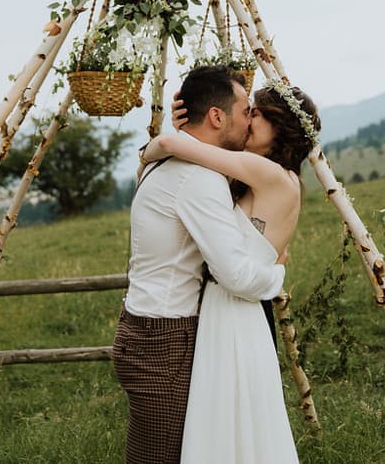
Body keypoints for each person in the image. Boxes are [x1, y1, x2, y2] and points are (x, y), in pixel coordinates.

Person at [111, 65, 287, 464]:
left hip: (146, 328)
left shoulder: (163, 163)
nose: (249, 120)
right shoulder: (198, 179)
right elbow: (236, 275)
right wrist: (278, 273)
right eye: (245, 111)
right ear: (217, 117)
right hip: (164, 340)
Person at [141, 80, 321, 464]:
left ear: (281, 126)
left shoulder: (267, 173)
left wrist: (163, 143)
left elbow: (173, 147)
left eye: (257, 114)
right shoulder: (272, 177)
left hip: (234, 311)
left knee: (227, 423)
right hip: (238, 312)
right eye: (248, 111)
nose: (249, 119)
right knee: (241, 425)